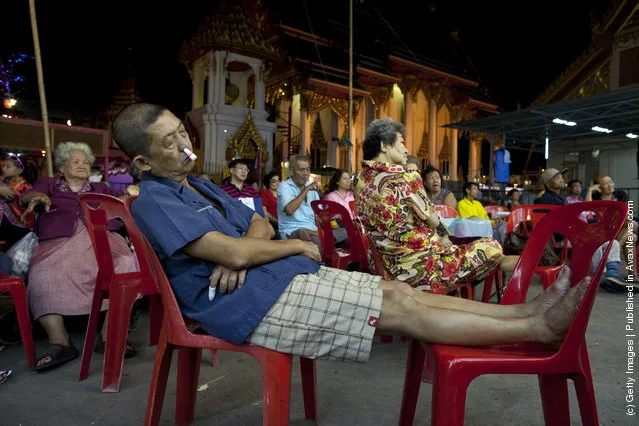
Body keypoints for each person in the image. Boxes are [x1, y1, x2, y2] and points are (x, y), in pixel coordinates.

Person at [111, 102, 587, 366]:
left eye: (183, 132)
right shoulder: (156, 199)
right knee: (401, 306)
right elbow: (239, 248)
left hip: (277, 277)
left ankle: (525, 309)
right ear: (142, 162)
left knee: (399, 289)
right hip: (251, 302)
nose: (185, 144)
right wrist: (290, 245)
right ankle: (537, 328)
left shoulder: (202, 186)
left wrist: (246, 251)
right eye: (169, 141)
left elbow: (257, 225)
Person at [354, 118, 517, 291]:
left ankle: (531, 265)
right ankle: (532, 266)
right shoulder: (406, 177)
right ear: (384, 145)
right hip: (419, 269)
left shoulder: (359, 180)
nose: (406, 149)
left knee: (487, 254)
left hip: (383, 268)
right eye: (401, 142)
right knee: (492, 246)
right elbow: (433, 221)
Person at [22, 142, 138, 372]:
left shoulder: (102, 187)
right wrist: (36, 197)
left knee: (125, 264)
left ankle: (109, 336)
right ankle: (59, 341)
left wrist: (131, 194)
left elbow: (123, 200)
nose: (82, 165)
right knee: (43, 273)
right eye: (75, 161)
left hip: (102, 238)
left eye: (85, 161)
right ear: (61, 168)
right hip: (60, 239)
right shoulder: (49, 184)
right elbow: (28, 196)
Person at [277, 155, 347, 247]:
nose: (306, 173)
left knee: (346, 232)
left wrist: (330, 221)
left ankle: (319, 234)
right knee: (310, 237)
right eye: (301, 170)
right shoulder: (284, 186)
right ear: (291, 171)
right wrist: (306, 190)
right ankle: (320, 237)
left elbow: (318, 216)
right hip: (293, 231)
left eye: (308, 170)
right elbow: (289, 210)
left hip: (313, 230)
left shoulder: (311, 187)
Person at [2, 154, 36, 228]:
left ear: (19, 171)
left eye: (8, 167)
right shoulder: (4, 183)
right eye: (3, 166)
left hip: (20, 221)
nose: (3, 168)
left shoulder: (25, 185)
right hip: (6, 220)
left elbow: (32, 203)